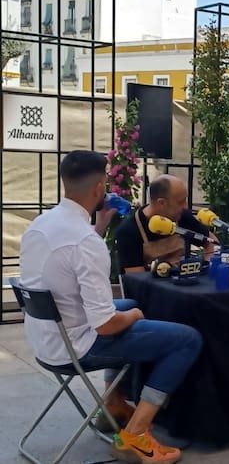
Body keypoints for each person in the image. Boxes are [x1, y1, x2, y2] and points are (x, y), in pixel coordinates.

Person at [19, 150, 203, 464]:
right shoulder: (85, 242)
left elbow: (68, 261)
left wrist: (101, 223)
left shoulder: (40, 224)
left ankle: (114, 404)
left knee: (128, 302)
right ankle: (136, 433)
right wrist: (135, 316)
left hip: (45, 338)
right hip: (78, 346)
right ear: (99, 188)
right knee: (186, 340)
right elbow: (106, 325)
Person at [116, 174, 213, 273]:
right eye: (180, 202)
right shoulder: (129, 231)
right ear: (161, 203)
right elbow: (136, 278)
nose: (185, 207)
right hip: (151, 283)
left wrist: (207, 266)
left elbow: (211, 243)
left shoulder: (181, 216)